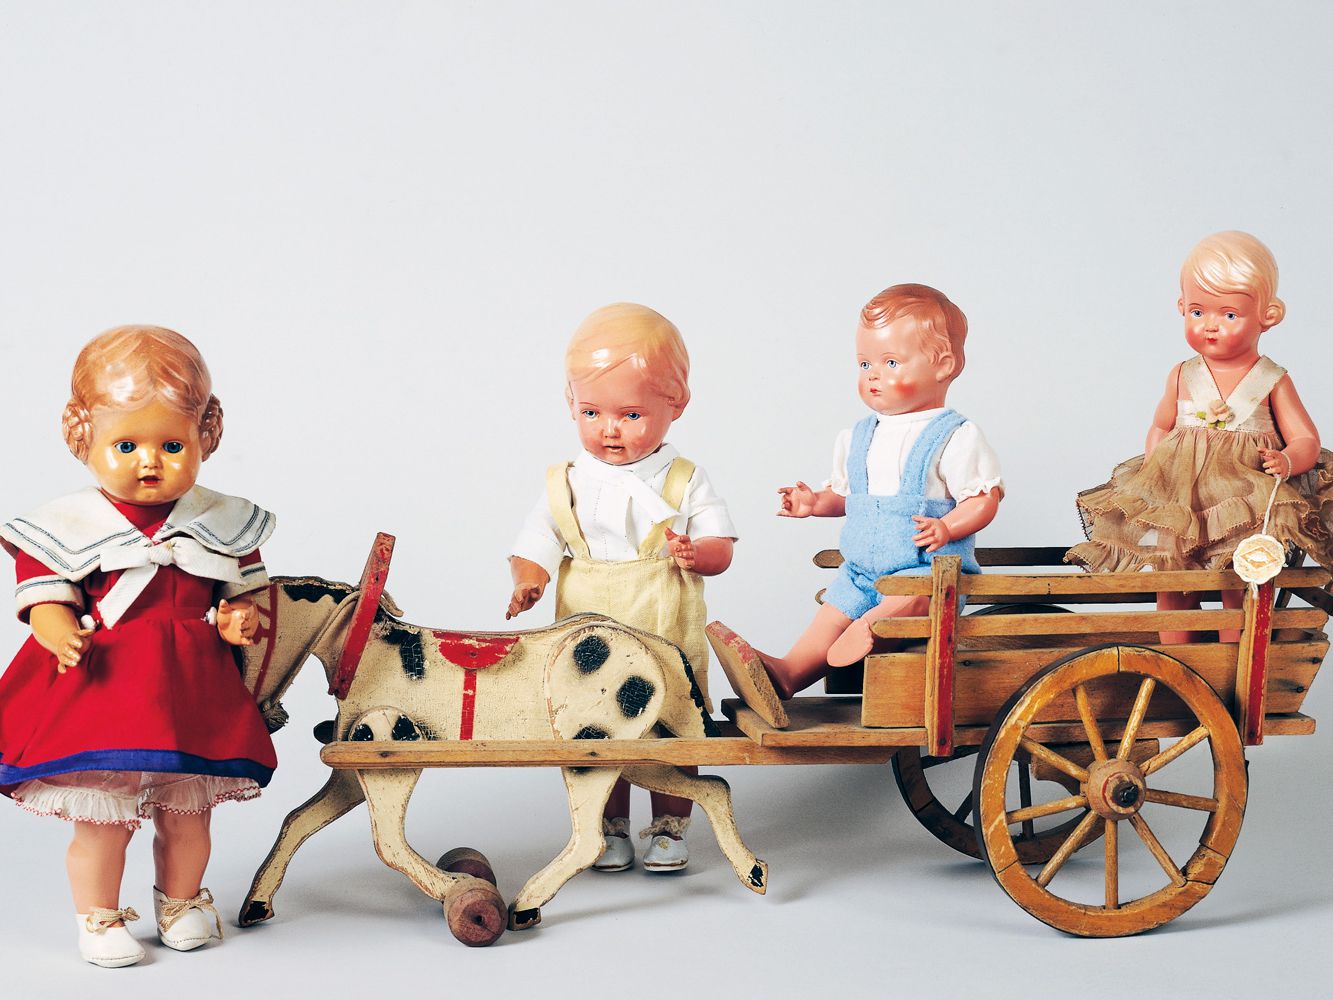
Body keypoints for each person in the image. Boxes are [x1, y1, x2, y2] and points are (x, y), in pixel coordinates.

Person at [0, 326, 277, 967]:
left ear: (206, 435)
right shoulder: (65, 526)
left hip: (191, 688)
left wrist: (236, 620)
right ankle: (98, 916)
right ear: (82, 436)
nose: (149, 462)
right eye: (125, 445)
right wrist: (57, 629)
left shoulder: (221, 522)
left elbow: (244, 598)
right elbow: (44, 599)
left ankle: (180, 901)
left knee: (188, 813)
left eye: (172, 445)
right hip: (104, 687)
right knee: (105, 817)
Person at [506, 302, 736, 872]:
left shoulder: (684, 479)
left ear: (675, 405)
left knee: (671, 719)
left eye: (631, 414)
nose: (609, 429)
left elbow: (721, 544)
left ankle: (669, 826)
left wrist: (698, 553)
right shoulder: (566, 481)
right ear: (571, 403)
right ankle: (607, 827)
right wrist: (530, 577)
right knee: (595, 724)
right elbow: (537, 537)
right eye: (592, 412)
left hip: (661, 615)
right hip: (588, 618)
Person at [708, 284, 1002, 728]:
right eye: (865, 364)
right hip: (861, 569)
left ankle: (870, 634)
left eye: (891, 363)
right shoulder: (859, 436)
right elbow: (848, 497)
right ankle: (790, 671)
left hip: (928, 572)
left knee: (910, 599)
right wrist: (813, 503)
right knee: (833, 611)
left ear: (943, 365)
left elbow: (983, 499)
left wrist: (948, 527)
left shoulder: (955, 435)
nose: (873, 375)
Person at [1067, 231, 1333, 642]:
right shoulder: (1182, 374)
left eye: (1229, 315)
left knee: (1238, 577)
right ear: (1181, 307)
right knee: (1174, 577)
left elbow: (1306, 440)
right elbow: (1161, 425)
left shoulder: (1272, 379)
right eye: (1196, 311)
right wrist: (1156, 469)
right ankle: (1178, 654)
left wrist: (1287, 459)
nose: (1210, 326)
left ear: (1268, 316)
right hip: (1182, 500)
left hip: (1242, 499)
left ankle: (1232, 657)